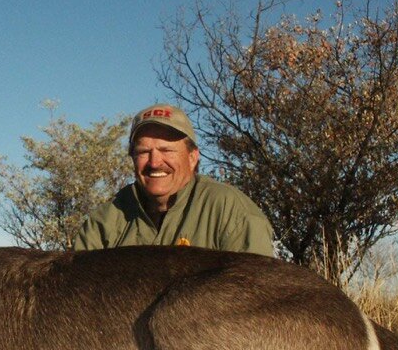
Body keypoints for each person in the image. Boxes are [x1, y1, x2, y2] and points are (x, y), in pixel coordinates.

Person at [73, 104, 274, 256]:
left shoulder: (231, 211)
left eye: (166, 150)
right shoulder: (103, 222)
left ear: (193, 156)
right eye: (143, 151)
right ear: (132, 158)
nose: (154, 162)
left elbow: (258, 297)